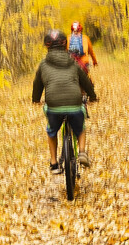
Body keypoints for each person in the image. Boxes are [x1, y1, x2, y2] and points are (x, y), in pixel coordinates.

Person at [31, 28, 95, 171]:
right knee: (81, 127)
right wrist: (93, 96)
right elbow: (85, 81)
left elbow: (37, 84)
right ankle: (82, 152)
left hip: (53, 106)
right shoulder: (73, 62)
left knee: (52, 131)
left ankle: (54, 163)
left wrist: (36, 99)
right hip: (74, 103)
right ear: (65, 44)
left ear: (47, 45)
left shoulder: (43, 64)